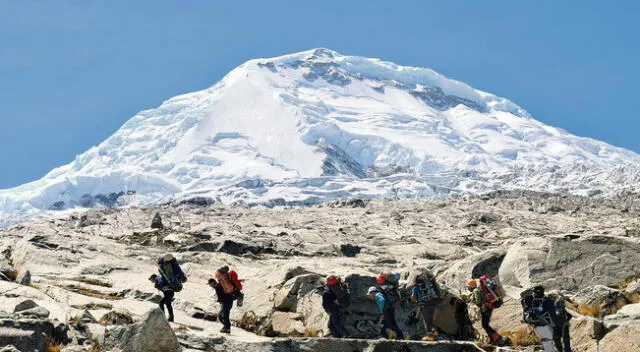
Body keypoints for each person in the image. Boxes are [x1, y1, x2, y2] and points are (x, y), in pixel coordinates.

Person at [468, 279, 506, 345]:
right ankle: (493, 339)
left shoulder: (476, 290)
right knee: (485, 324)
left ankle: (498, 338)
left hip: (486, 309)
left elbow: (479, 302)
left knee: (485, 325)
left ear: (471, 286)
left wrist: (472, 303)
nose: (468, 288)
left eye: (468, 286)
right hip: (488, 308)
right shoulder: (478, 289)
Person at [521, 286, 558, 352]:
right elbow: (553, 315)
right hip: (545, 325)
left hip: (536, 327)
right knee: (550, 343)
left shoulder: (531, 301)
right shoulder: (547, 300)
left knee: (547, 343)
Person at [210, 266, 244, 334]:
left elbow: (221, 295)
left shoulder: (219, 286)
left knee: (225, 314)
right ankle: (227, 326)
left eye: (210, 284)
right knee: (221, 315)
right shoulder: (223, 282)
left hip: (227, 301)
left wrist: (220, 300)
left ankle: (227, 327)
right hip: (229, 299)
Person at [409, 270, 442, 341]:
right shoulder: (430, 285)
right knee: (431, 321)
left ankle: (430, 336)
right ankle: (434, 333)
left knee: (427, 322)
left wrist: (416, 301)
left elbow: (413, 298)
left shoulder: (416, 288)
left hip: (424, 305)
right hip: (434, 303)